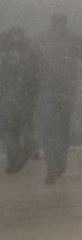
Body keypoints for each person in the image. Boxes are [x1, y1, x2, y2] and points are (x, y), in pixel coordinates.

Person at [36, 14, 82, 184]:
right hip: (56, 90)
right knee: (55, 130)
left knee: (56, 130)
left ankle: (56, 165)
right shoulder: (70, 39)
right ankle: (54, 166)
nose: (61, 27)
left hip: (55, 90)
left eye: (62, 24)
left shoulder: (43, 39)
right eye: (59, 24)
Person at [0, 27, 40, 175]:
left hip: (8, 96)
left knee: (7, 130)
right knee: (22, 126)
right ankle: (24, 152)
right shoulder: (26, 52)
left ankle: (16, 155)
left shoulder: (5, 54)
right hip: (23, 95)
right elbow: (34, 73)